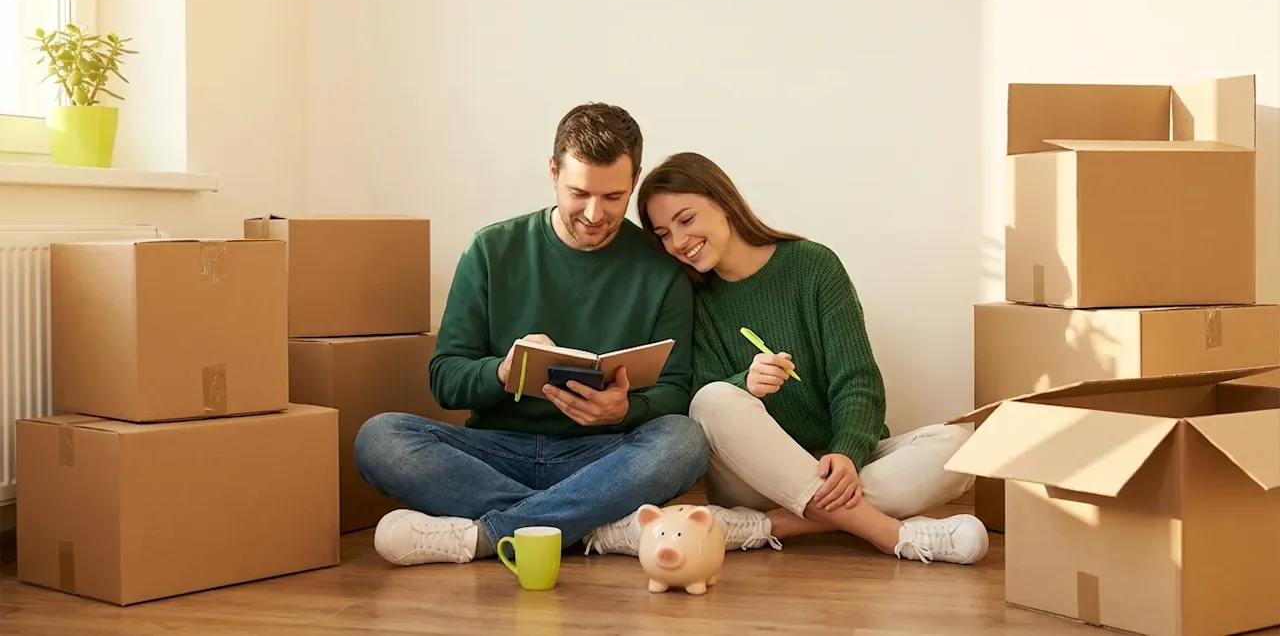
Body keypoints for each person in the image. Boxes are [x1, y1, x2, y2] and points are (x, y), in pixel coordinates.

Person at [582, 151, 989, 566]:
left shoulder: (814, 266)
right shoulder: (691, 297)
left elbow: (858, 380)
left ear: (723, 202)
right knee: (713, 399)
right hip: (752, 478)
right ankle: (891, 534)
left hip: (833, 466)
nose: (680, 242)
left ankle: (764, 527)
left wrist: (847, 453)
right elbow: (698, 401)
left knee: (958, 446)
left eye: (686, 220)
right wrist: (745, 385)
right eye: (665, 234)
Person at [353, 104, 709, 567]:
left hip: (602, 457)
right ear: (552, 171)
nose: (595, 214)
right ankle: (588, 527)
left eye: (614, 197)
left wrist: (627, 407)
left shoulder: (662, 269)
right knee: (379, 438)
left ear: (636, 180)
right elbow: (445, 379)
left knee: (684, 441)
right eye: (578, 193)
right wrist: (503, 370)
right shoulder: (492, 249)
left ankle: (492, 533)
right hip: (496, 451)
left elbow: (675, 391)